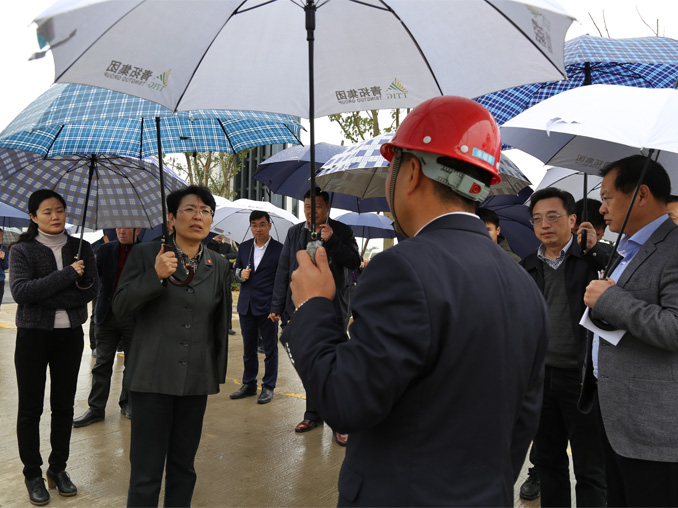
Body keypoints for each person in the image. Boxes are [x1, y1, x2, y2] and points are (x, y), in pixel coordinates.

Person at [281, 96, 549, 506]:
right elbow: (522, 421)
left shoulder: (401, 269)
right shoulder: (524, 283)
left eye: (393, 165)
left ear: (409, 172)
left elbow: (345, 402)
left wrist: (313, 306)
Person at [112, 186, 230, 507]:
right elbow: (120, 308)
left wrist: (214, 373)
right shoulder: (146, 255)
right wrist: (154, 277)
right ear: (171, 219)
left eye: (206, 210)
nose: (198, 216)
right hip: (151, 378)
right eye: (189, 209)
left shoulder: (218, 265)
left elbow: (219, 324)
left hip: (195, 380)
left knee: (183, 468)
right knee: (146, 473)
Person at [581, 155, 678, 507]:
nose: (602, 208)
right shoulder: (626, 250)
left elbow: (674, 328)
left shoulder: (674, 247)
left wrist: (611, 300)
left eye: (607, 197)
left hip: (655, 432)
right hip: (616, 419)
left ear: (640, 194)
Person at [520, 187, 608, 508]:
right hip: (541, 379)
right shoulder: (527, 266)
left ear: (573, 220)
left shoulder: (593, 260)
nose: (545, 224)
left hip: (583, 380)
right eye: (537, 219)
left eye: (553, 217)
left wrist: (596, 250)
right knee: (548, 463)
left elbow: (620, 274)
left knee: (590, 468)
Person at [10, 189, 99, 506]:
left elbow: (90, 291)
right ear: (33, 217)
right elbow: (21, 292)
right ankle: (32, 473)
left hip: (70, 337)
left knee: (63, 406)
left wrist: (45, 293)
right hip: (32, 336)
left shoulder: (82, 248)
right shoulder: (21, 250)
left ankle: (57, 469)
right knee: (30, 408)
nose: (55, 216)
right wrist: (66, 276)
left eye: (60, 210)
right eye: (47, 211)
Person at [270, 187, 360, 445]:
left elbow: (353, 261)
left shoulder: (342, 231)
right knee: (309, 359)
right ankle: (313, 414)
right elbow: (284, 268)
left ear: (328, 207)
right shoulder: (294, 232)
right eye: (307, 206)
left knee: (338, 361)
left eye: (317, 206)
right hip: (302, 305)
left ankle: (340, 420)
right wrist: (276, 305)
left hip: (334, 305)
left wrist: (332, 241)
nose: (311, 211)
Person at [73, 227, 141, 428]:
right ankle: (96, 409)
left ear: (138, 229)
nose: (121, 230)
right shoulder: (105, 250)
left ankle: (128, 403)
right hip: (107, 316)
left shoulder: (146, 251)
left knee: (133, 364)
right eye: (118, 226)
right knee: (102, 364)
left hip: (133, 317)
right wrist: (81, 269)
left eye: (126, 227)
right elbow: (94, 278)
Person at [230, 211, 283, 404]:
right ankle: (249, 384)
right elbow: (236, 270)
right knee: (248, 348)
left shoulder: (279, 249)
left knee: (270, 349)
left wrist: (277, 307)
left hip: (269, 307)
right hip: (246, 306)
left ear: (270, 225)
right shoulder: (244, 247)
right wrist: (239, 275)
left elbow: (282, 280)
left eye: (262, 224)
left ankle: (268, 386)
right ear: (250, 227)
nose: (258, 229)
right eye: (254, 225)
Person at [206, 234, 237, 335]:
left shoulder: (227, 246)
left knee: (227, 301)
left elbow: (235, 254)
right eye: (217, 234)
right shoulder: (207, 245)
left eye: (222, 234)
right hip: (212, 277)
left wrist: (225, 256)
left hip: (225, 278)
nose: (220, 236)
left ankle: (228, 327)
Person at [0, 229, 9, 310]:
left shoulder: (4, 249)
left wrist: (2, 258)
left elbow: (6, 266)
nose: (0, 238)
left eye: (1, 236)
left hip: (0, 280)